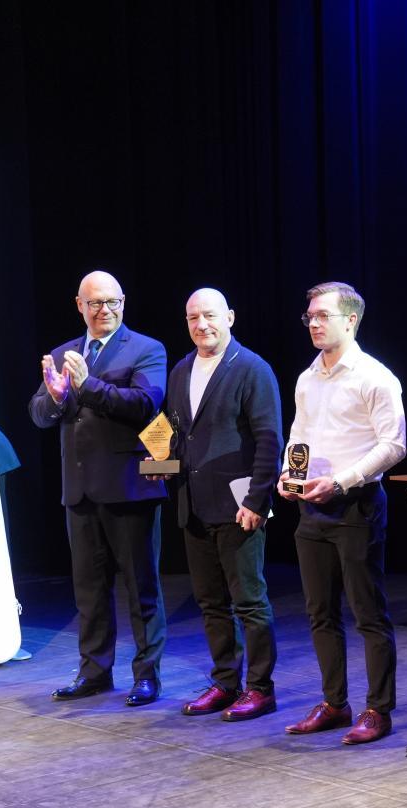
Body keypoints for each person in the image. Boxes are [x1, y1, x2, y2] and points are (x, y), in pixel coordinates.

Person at [29, 271, 168, 707]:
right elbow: (38, 413)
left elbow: (145, 404)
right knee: (89, 590)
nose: (104, 310)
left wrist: (87, 386)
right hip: (80, 492)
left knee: (141, 589)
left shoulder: (146, 349)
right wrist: (55, 397)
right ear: (80, 305)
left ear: (123, 303)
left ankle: (146, 676)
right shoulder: (63, 353)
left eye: (112, 302)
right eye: (95, 303)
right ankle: (94, 672)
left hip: (130, 488)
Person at [279, 282, 406, 745]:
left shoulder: (375, 377)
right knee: (320, 612)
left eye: (323, 316)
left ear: (350, 320)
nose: (313, 323)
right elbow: (298, 434)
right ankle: (335, 703)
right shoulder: (307, 377)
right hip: (311, 508)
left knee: (368, 613)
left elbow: (394, 445)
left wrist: (341, 481)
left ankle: (378, 710)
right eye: (309, 316)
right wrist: (288, 473)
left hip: (356, 505)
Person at [163, 288, 284, 720]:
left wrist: (257, 500)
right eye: (193, 317)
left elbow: (269, 440)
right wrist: (159, 465)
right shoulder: (181, 370)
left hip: (239, 506)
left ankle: (260, 689)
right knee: (211, 602)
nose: (202, 325)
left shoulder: (252, 368)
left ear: (229, 317)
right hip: (194, 505)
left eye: (210, 315)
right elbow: (175, 433)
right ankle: (226, 682)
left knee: (249, 601)